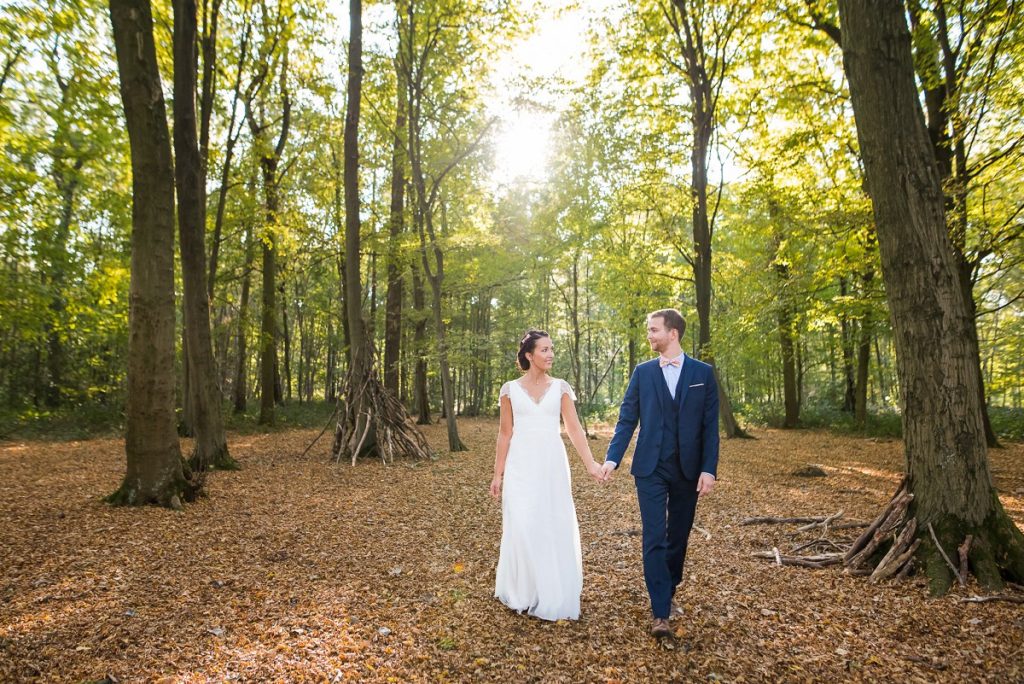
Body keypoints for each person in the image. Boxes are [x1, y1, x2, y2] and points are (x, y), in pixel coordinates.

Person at [600, 309, 719, 638]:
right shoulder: (643, 372)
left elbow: (711, 428)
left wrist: (709, 469)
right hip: (649, 468)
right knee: (654, 536)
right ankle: (660, 612)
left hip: (688, 469)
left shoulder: (703, 374)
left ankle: (669, 587)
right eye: (648, 330)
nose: (649, 335)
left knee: (678, 537)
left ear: (673, 333)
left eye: (654, 330)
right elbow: (627, 419)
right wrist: (612, 459)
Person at [490, 329, 605, 621]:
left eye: (552, 349)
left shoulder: (561, 388)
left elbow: (574, 428)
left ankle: (550, 592)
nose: (551, 354)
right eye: (544, 350)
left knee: (549, 524)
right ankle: (524, 591)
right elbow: (505, 434)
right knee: (522, 522)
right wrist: (497, 474)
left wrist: (591, 464)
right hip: (520, 465)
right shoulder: (509, 390)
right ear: (529, 356)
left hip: (551, 464)